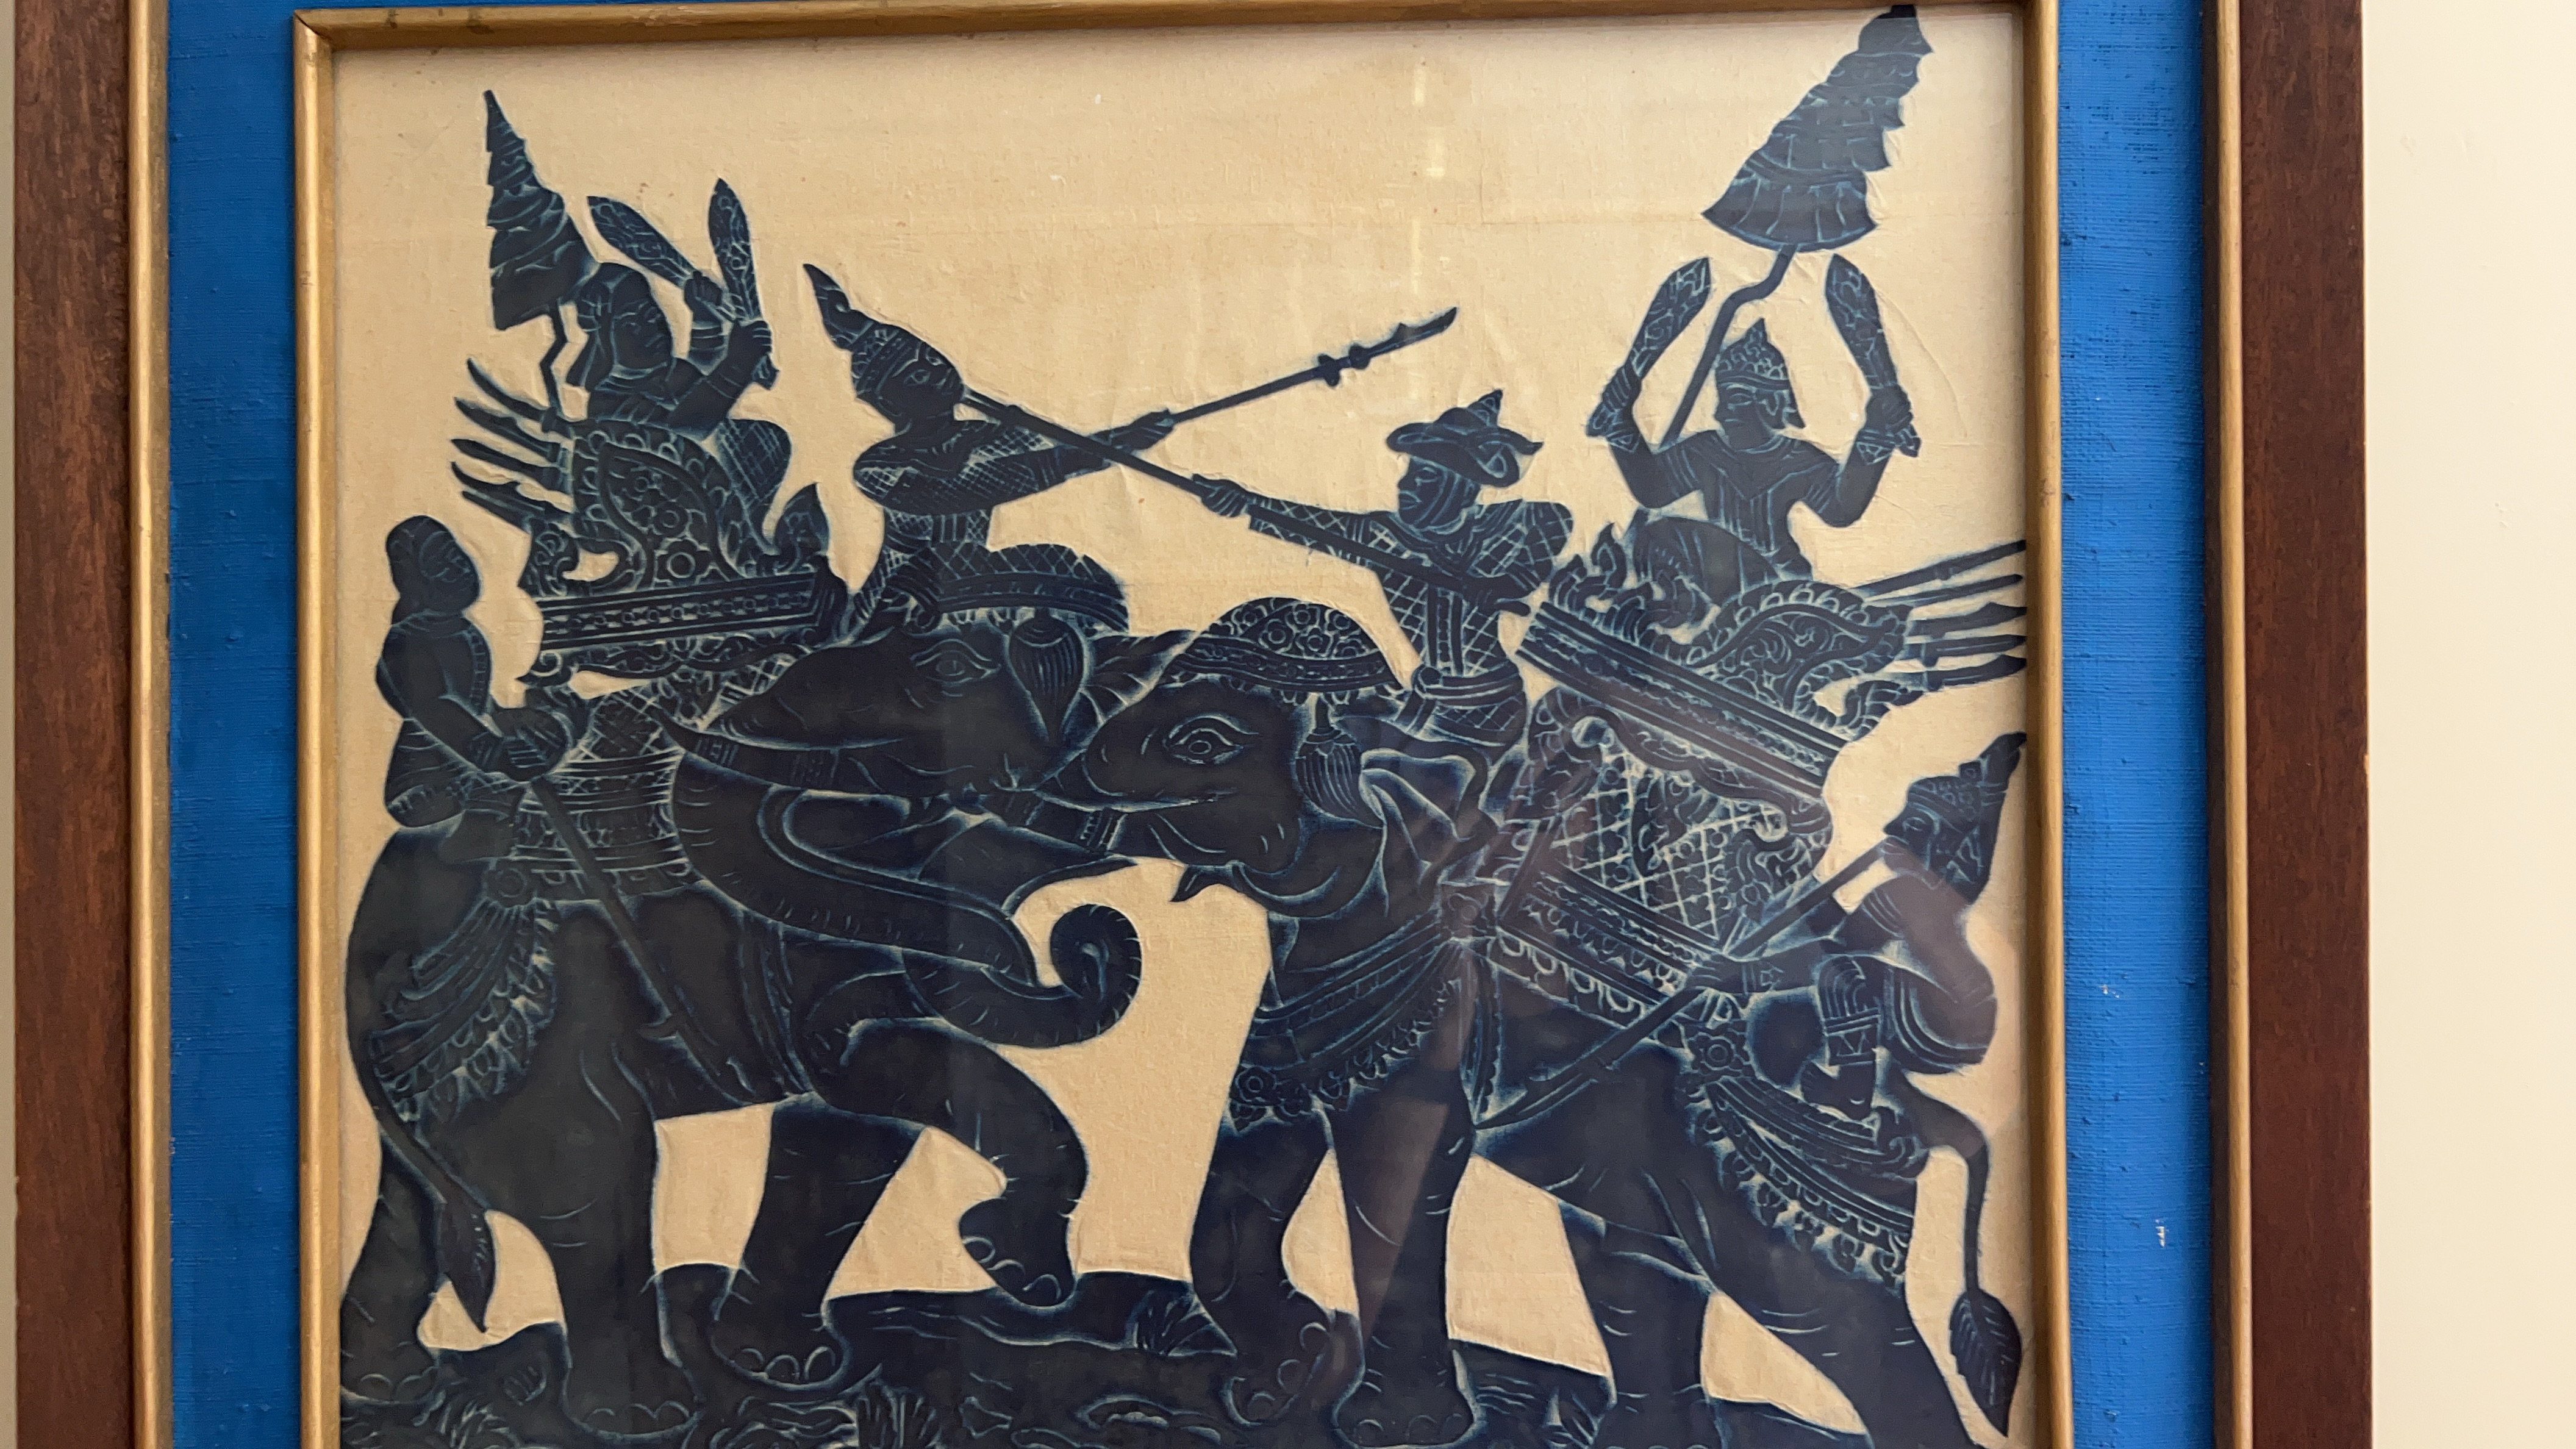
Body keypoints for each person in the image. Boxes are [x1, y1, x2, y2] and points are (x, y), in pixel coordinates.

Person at [1197, 392, 1569, 752]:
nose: (1405, 485)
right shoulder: (1385, 537)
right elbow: (1315, 526)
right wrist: (1248, 503)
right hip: (1428, 700)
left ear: (1460, 487)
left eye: (1425, 476)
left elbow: (1556, 517)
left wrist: (1512, 582)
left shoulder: (1502, 524)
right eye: (1410, 471)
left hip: (1493, 704)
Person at [804, 264, 1176, 618]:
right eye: (916, 375)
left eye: (932, 358)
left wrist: (1126, 437)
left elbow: (1064, 450)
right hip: (895, 602)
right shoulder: (878, 466)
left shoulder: (985, 436)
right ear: (890, 402)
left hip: (968, 589)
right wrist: (1099, 449)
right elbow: (961, 489)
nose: (937, 371)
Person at [1593, 316, 1912, 590]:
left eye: (1736, 400)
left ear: (1771, 404)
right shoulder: (1705, 451)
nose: (1721, 414)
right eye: (1722, 400)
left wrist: (1877, 429)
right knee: (1658, 536)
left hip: (1778, 583)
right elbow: (1653, 490)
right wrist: (1620, 418)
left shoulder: (1799, 461)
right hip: (1711, 581)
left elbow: (1841, 510)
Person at [566, 262, 773, 438]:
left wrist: (704, 318)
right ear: (604, 342)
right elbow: (680, 434)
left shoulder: (675, 371)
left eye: (652, 313)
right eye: (631, 324)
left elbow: (702, 379)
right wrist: (737, 366)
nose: (651, 327)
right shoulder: (607, 403)